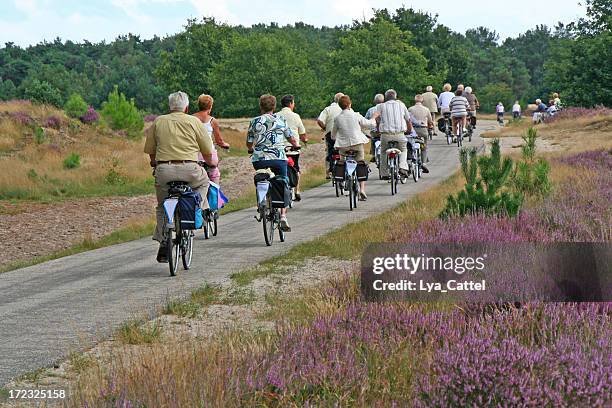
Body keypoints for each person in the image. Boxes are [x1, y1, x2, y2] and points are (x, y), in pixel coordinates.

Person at [144, 91, 217, 263]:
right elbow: (207, 150)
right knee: (205, 182)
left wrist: (155, 164)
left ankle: (163, 240)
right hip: (190, 169)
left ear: (170, 106)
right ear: (186, 107)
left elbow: (151, 152)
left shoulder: (159, 121)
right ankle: (198, 207)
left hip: (164, 170)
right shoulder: (194, 121)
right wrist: (210, 164)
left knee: (162, 206)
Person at [246, 94, 299, 232]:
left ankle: (262, 202)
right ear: (274, 107)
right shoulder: (280, 119)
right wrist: (295, 145)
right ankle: (282, 216)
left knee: (260, 177)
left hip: (259, 160)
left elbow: (249, 142)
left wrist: (250, 149)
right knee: (283, 181)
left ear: (260, 106)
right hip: (279, 159)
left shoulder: (254, 121)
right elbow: (291, 138)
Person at [332, 95, 378, 201]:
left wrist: (336, 138)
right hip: (357, 144)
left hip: (343, 146)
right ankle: (362, 189)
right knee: (360, 162)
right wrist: (374, 118)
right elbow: (369, 124)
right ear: (349, 104)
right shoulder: (356, 115)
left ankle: (343, 180)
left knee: (342, 161)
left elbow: (333, 135)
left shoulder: (337, 118)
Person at [376, 89, 413, 179]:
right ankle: (402, 167)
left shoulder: (380, 106)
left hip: (385, 135)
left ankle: (384, 173)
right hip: (399, 134)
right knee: (403, 149)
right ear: (395, 97)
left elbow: (377, 120)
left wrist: (378, 130)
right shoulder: (401, 105)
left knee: (383, 152)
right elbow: (408, 119)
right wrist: (409, 130)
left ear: (385, 98)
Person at [277, 94, 308, 201]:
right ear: (290, 103)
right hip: (293, 148)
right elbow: (302, 133)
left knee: (278, 170)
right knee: (296, 169)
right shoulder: (296, 116)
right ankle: (297, 191)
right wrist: (304, 140)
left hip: (279, 149)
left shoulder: (276, 116)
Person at [192, 94, 229, 184]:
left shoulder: (191, 118)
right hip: (208, 153)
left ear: (199, 105)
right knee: (214, 174)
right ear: (210, 106)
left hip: (194, 153)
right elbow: (219, 141)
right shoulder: (212, 121)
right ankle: (214, 193)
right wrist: (225, 145)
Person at [317, 93, 344, 178]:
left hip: (330, 135)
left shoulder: (328, 109)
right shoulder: (344, 108)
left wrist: (325, 128)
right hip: (342, 135)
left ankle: (328, 172)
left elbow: (319, 120)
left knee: (329, 151)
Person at [408, 94, 432, 173]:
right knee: (424, 147)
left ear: (415, 100)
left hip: (413, 130)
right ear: (422, 101)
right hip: (423, 130)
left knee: (410, 145)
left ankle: (410, 161)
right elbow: (430, 121)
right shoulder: (426, 109)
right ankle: (424, 163)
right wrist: (430, 126)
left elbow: (408, 120)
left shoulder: (410, 109)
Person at [365, 93, 384, 161]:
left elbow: (366, 120)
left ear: (375, 101)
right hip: (384, 131)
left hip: (374, 132)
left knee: (373, 139)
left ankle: (373, 154)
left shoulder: (370, 110)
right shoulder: (385, 108)